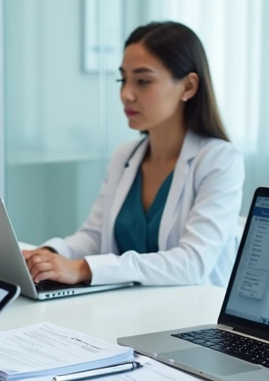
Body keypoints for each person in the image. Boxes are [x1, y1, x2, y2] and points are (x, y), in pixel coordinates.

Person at [22, 21, 244, 288]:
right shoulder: (125, 156)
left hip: (190, 314)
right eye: (122, 79)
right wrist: (49, 256)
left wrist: (83, 269)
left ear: (188, 87)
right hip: (128, 308)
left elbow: (192, 263)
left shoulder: (219, 160)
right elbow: (94, 236)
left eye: (143, 81)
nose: (126, 94)